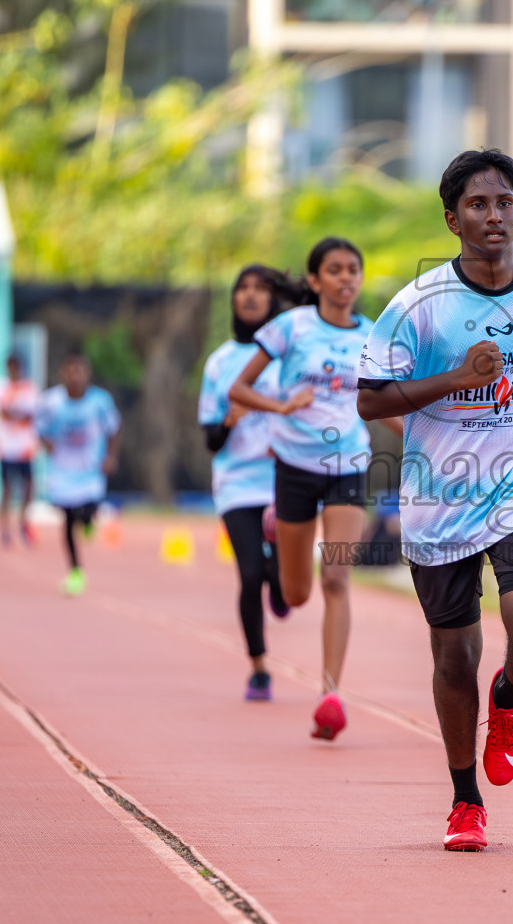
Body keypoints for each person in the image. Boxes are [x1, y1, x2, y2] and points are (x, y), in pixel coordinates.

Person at [357, 149, 513, 852]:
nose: (493, 215)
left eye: (504, 203)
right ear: (451, 218)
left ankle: (511, 694)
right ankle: (465, 800)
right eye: (477, 205)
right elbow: (371, 399)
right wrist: (456, 377)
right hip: (438, 499)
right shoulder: (421, 305)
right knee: (453, 655)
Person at [230, 237, 403, 741]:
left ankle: (330, 694)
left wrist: (424, 438)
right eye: (335, 270)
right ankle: (279, 545)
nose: (346, 278)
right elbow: (239, 390)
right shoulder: (290, 328)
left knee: (336, 580)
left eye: (354, 269)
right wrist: (281, 407)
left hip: (348, 465)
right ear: (315, 281)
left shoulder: (373, 337)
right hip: (293, 466)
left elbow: (381, 407)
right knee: (297, 593)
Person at [198, 265, 302, 701]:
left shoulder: (290, 355)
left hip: (283, 480)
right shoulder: (220, 362)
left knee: (284, 580)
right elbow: (210, 440)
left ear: (273, 300)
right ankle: (259, 667)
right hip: (238, 482)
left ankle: (281, 587)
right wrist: (228, 418)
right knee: (248, 572)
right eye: (242, 288)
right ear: (234, 300)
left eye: (261, 288)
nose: (250, 295)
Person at [37, 351, 121, 597]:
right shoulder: (51, 402)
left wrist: (111, 456)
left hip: (90, 471)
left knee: (86, 512)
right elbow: (39, 428)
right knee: (68, 518)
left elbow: (115, 428)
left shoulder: (100, 402)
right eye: (70, 371)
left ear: (88, 374)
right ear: (62, 374)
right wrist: (46, 443)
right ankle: (75, 571)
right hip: (62, 471)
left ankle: (88, 521)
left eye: (80, 371)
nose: (75, 376)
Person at [0, 353, 39, 548]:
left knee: (28, 489)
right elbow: (3, 412)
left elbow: (31, 414)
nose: (14, 370)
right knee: (6, 490)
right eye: (11, 366)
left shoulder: (30, 388)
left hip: (25, 448)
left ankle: (24, 525)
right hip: (6, 448)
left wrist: (14, 414)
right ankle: (4, 529)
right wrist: (17, 414)